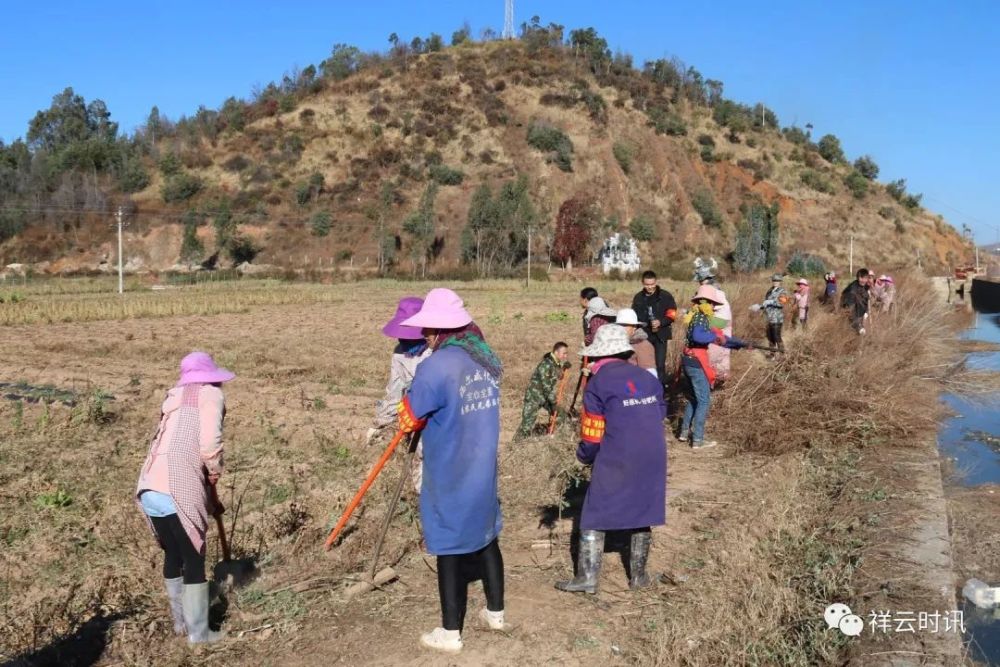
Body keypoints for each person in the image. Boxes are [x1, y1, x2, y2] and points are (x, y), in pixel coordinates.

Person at [396, 288, 506, 654]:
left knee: (448, 544)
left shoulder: (435, 366)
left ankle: (450, 633)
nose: (425, 336)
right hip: (483, 465)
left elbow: (410, 418)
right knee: (487, 536)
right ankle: (495, 613)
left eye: (429, 330)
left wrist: (406, 401)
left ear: (442, 331)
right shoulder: (485, 359)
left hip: (451, 467)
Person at [555, 325, 666, 594]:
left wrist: (584, 457)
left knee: (594, 512)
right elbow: (660, 413)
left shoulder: (598, 383)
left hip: (618, 453)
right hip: (654, 453)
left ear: (597, 357)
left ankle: (587, 579)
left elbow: (592, 436)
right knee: (643, 510)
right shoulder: (648, 378)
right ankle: (638, 578)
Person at [136, 351, 235, 644]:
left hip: (149, 485)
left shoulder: (173, 398)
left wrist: (210, 500)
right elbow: (208, 443)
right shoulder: (210, 396)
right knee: (194, 557)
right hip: (176, 484)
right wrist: (215, 468)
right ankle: (199, 634)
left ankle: (181, 624)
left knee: (174, 554)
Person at [678, 286, 751, 449]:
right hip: (696, 361)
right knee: (704, 400)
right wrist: (716, 339)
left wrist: (740, 344)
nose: (713, 307)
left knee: (693, 398)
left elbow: (722, 337)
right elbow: (700, 336)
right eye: (712, 304)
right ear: (705, 302)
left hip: (688, 361)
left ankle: (684, 433)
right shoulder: (701, 318)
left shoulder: (696, 316)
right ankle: (698, 439)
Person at [367, 297, 432, 444]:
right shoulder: (399, 353)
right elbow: (395, 391)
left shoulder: (435, 353)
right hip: (413, 414)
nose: (406, 340)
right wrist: (380, 423)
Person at [515, 342, 571, 440]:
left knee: (560, 414)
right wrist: (554, 403)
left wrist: (564, 368)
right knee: (527, 424)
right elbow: (547, 387)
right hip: (534, 397)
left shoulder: (555, 363)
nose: (566, 356)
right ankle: (516, 445)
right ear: (556, 352)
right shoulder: (546, 364)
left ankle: (555, 436)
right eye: (564, 353)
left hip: (545, 397)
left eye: (567, 353)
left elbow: (558, 375)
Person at [631, 270, 678, 387]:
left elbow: (672, 314)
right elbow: (633, 316)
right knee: (644, 364)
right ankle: (646, 389)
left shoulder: (666, 296)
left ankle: (661, 391)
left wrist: (661, 322)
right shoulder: (638, 298)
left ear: (656, 282)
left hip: (660, 336)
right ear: (642, 283)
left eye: (652, 284)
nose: (650, 287)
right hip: (643, 336)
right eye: (647, 284)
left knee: (660, 365)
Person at [693, 257, 733, 383]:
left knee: (714, 353)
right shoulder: (716, 288)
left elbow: (705, 309)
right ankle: (720, 379)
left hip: (718, 323)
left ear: (705, 279)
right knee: (723, 351)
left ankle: (711, 380)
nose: (699, 283)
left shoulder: (710, 290)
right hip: (724, 323)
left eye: (700, 280)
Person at [751, 274, 788, 354]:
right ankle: (772, 355)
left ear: (780, 282)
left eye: (777, 281)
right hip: (768, 317)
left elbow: (782, 303)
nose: (775, 282)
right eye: (774, 280)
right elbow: (766, 304)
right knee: (770, 338)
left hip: (777, 318)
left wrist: (772, 301)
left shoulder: (782, 291)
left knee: (776, 337)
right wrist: (759, 307)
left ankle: (783, 355)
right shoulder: (769, 291)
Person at [614, 308, 657, 377]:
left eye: (624, 325)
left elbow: (650, 376)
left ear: (634, 327)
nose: (620, 328)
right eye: (619, 325)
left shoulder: (643, 345)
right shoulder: (618, 343)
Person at [841, 268, 871, 333]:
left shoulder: (865, 287)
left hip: (861, 313)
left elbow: (866, 301)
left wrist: (866, 312)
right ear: (857, 277)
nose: (863, 280)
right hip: (853, 317)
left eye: (865, 278)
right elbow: (849, 311)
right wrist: (859, 326)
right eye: (861, 278)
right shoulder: (851, 291)